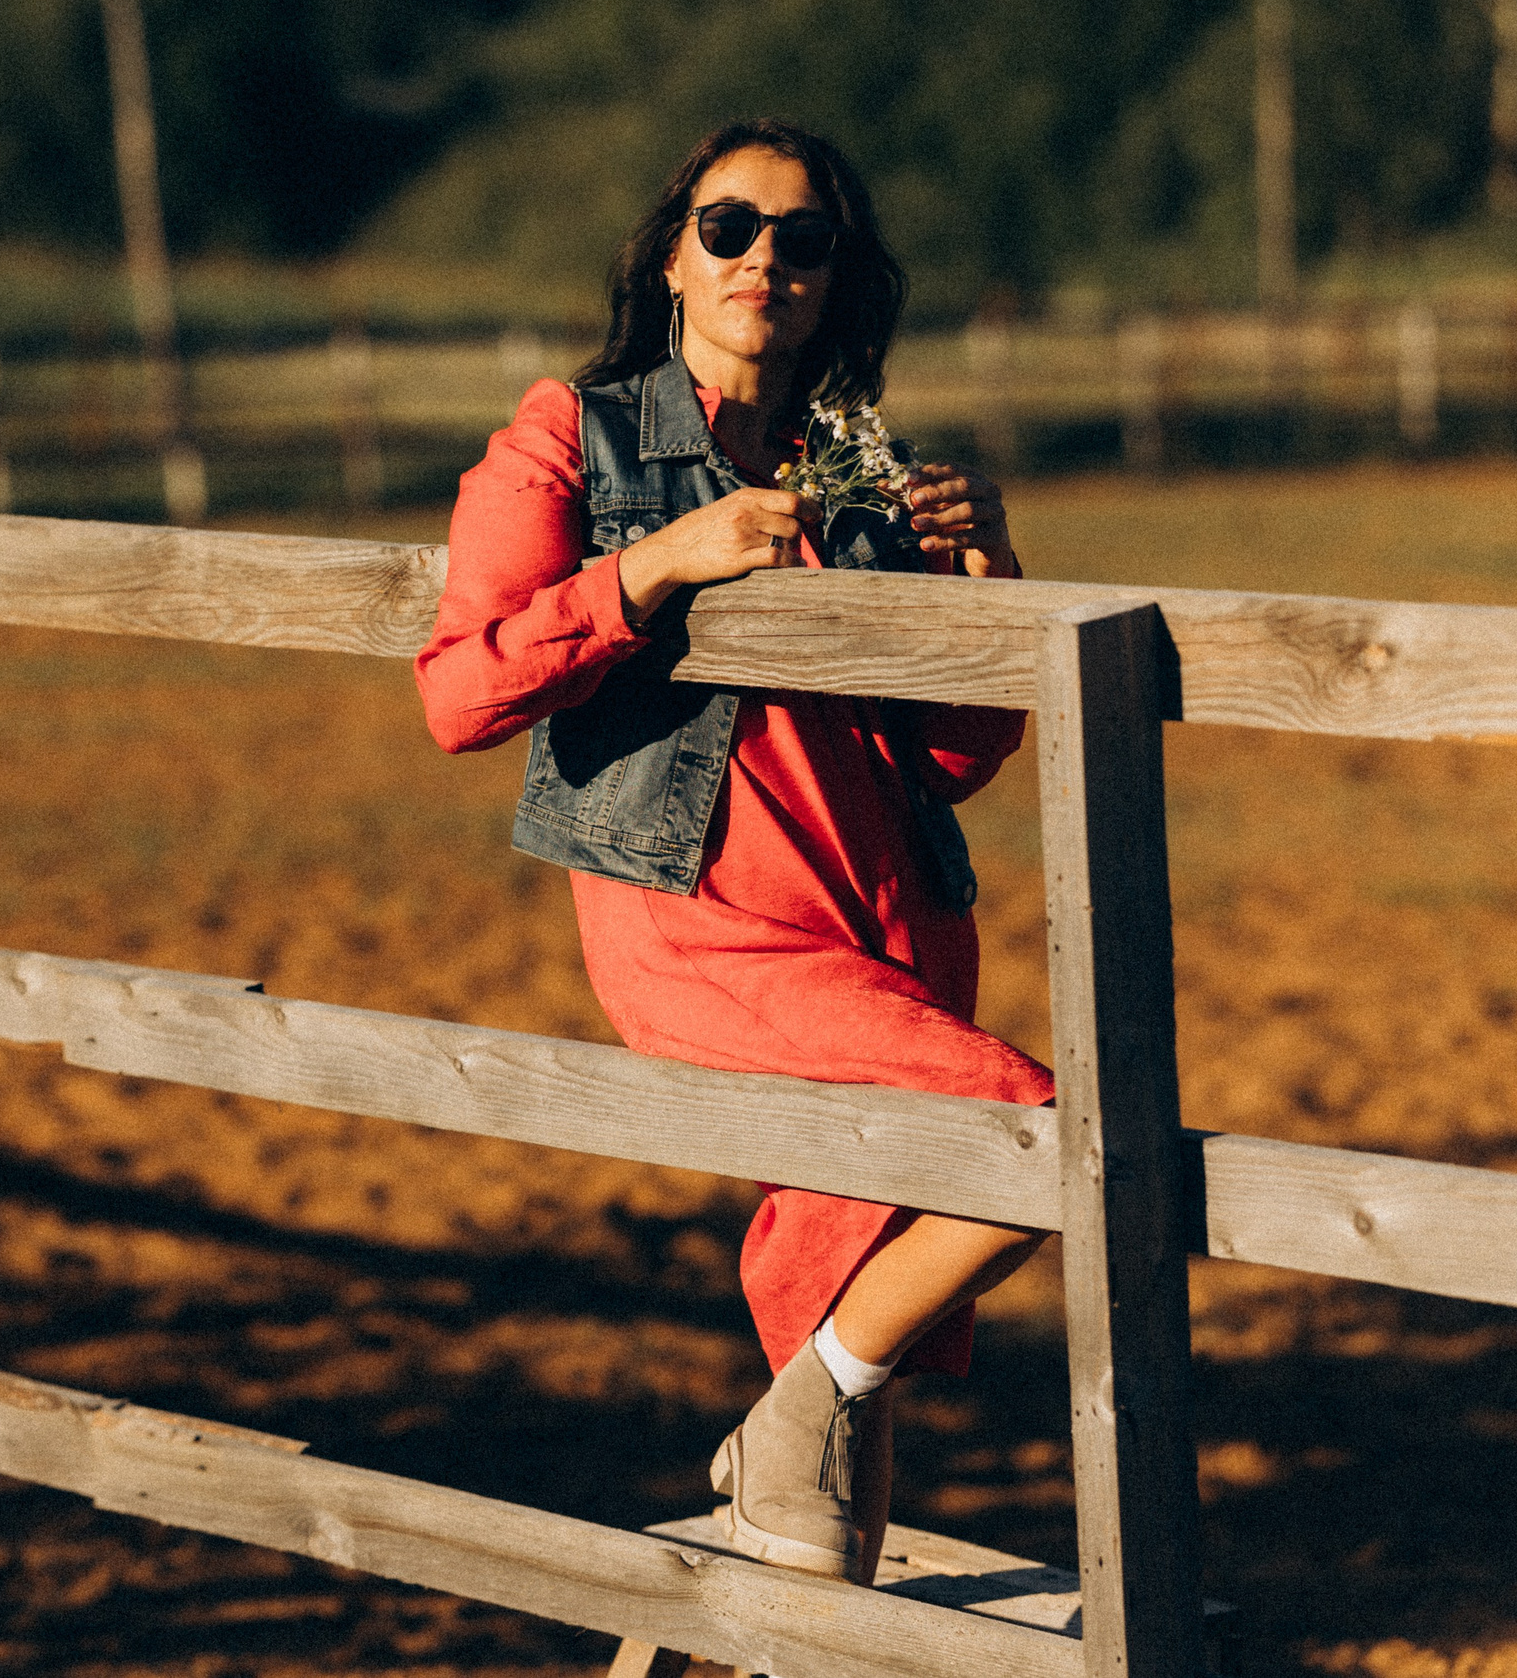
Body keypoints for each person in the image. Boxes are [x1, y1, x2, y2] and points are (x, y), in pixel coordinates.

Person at [412, 118, 1054, 1585]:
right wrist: (654, 566)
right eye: (732, 228)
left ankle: (803, 1467)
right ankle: (800, 1406)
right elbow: (459, 689)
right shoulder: (574, 435)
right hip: (707, 930)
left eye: (805, 238)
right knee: (1035, 1130)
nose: (767, 257)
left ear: (840, 280)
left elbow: (954, 755)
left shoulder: (859, 472)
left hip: (889, 929)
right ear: (672, 258)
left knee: (829, 1519)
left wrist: (990, 578)